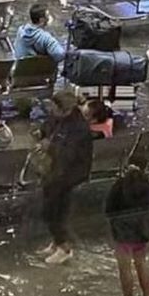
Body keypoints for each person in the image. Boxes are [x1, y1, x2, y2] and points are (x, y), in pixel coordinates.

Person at [36, 91, 94, 265]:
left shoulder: (79, 128)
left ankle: (64, 247)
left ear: (66, 110)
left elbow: (70, 154)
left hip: (68, 174)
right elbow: (47, 127)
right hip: (53, 171)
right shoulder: (58, 118)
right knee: (49, 207)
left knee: (55, 210)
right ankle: (56, 241)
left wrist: (50, 147)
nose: (52, 111)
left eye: (55, 108)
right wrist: (41, 133)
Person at [105, 154, 149, 296]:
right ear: (145, 168)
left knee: (125, 268)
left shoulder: (119, 185)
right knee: (141, 263)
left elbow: (109, 209)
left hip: (123, 235)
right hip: (142, 234)